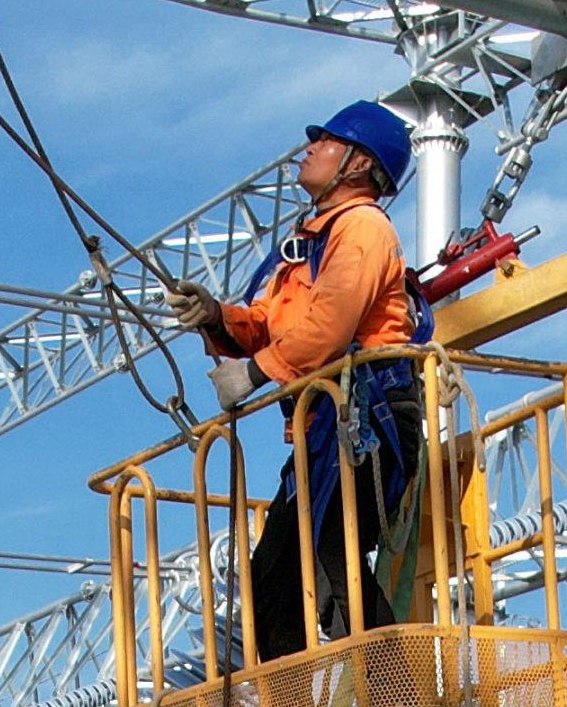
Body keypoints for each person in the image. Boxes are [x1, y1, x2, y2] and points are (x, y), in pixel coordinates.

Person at [172, 99, 427, 668]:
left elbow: (331, 325)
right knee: (274, 581)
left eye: (327, 140)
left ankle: (396, 700)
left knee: (332, 558)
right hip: (329, 421)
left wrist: (255, 373)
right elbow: (275, 323)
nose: (310, 147)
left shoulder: (362, 228)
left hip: (369, 418)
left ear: (358, 165)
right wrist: (218, 316)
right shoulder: (308, 244)